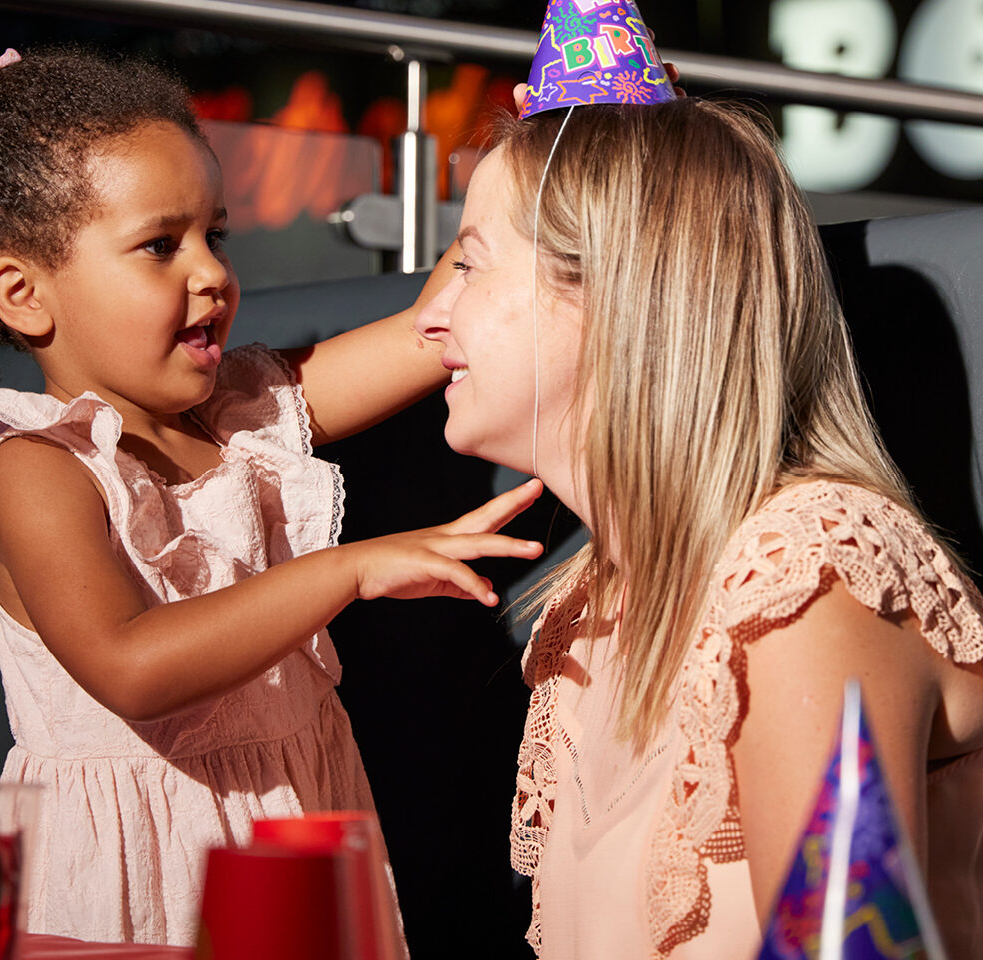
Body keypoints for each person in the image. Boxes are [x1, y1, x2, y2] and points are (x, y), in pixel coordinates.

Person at [0, 35, 546, 946]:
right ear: (23, 295)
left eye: (216, 234)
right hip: (138, 891)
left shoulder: (244, 409)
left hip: (297, 830)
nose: (210, 271)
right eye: (160, 245)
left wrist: (538, 151)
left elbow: (422, 330)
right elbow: (134, 665)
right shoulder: (32, 469)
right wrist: (349, 571)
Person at [415, 96, 983, 959]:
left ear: (611, 292)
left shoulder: (809, 576)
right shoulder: (589, 605)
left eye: (468, 264)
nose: (429, 320)